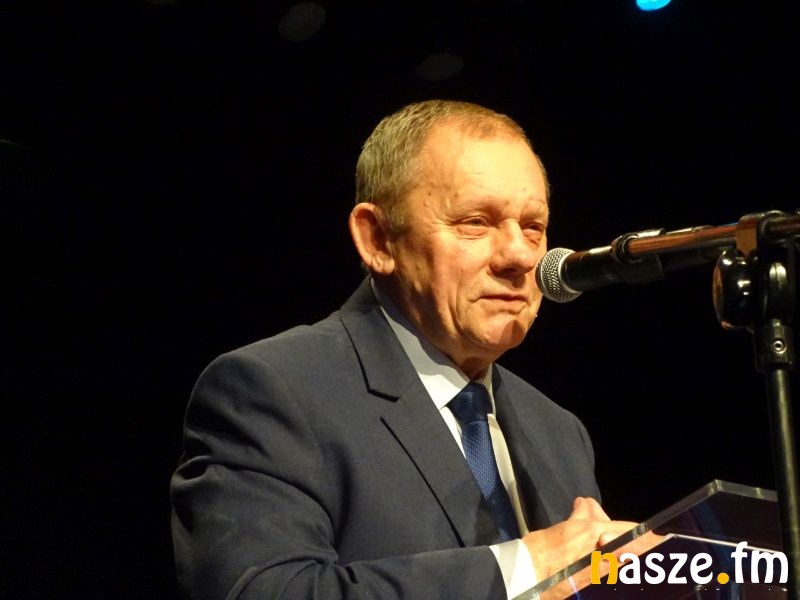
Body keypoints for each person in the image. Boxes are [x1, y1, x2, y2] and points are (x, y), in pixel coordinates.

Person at [170, 99, 635, 600]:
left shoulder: (559, 431)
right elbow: (265, 591)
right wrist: (525, 566)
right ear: (378, 240)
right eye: (475, 222)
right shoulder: (273, 392)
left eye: (532, 227)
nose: (520, 256)